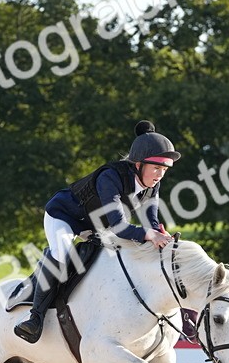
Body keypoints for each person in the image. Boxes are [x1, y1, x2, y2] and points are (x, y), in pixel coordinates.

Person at [14, 120, 179, 343]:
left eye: (164, 170)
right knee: (62, 253)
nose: (160, 174)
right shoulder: (110, 177)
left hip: (95, 227)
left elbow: (151, 220)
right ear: (138, 164)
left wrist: (162, 236)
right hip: (65, 216)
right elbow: (120, 226)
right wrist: (150, 235)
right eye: (157, 168)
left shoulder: (152, 184)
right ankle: (34, 318)